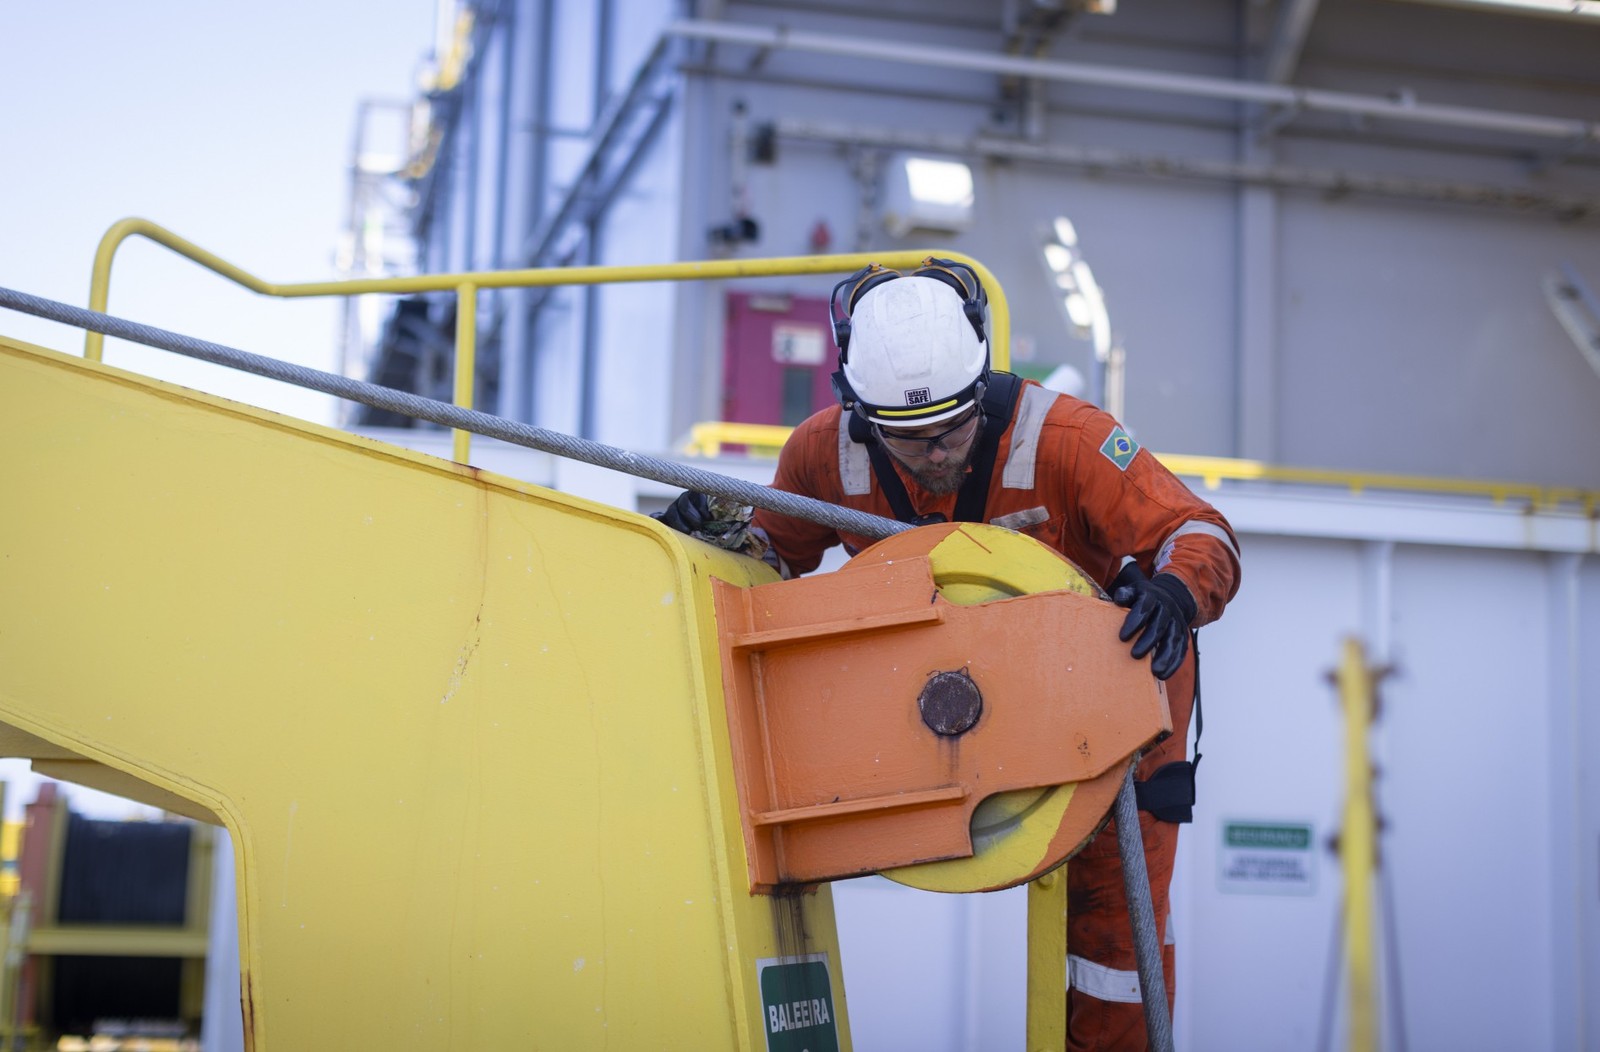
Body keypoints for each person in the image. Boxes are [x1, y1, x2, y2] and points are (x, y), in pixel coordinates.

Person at [658, 258, 1241, 1051]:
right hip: (944, 722)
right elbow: (774, 559)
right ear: (861, 417)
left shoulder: (1069, 439)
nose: (933, 456)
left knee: (1115, 950)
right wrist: (714, 536)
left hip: (1115, 731)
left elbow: (1197, 530)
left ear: (983, 389)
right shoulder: (823, 454)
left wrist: (1178, 593)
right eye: (909, 441)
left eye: (951, 433)